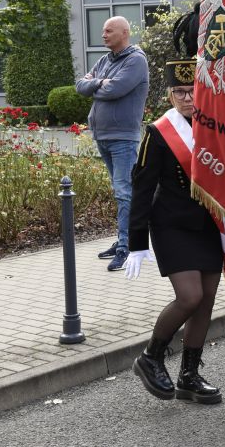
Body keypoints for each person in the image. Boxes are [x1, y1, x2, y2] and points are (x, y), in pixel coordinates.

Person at [125, 9, 223, 405]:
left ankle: (189, 374)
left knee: (208, 300)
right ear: (169, 95)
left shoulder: (215, 127)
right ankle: (151, 357)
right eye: (179, 92)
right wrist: (135, 242)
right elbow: (141, 187)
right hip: (171, 227)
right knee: (189, 297)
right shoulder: (159, 133)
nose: (186, 98)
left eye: (192, 91)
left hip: (207, 226)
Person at [75, 16, 149, 272]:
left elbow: (115, 90)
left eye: (109, 31)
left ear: (124, 33)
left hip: (123, 138)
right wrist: (98, 83)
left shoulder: (136, 60)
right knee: (121, 192)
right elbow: (80, 86)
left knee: (125, 192)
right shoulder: (105, 60)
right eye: (103, 30)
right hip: (103, 136)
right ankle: (122, 240)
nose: (103, 34)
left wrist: (96, 85)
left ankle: (126, 247)